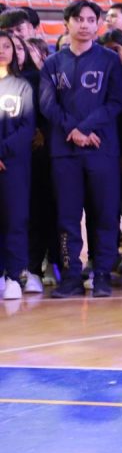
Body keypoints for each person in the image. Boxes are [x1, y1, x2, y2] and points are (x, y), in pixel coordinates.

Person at [39, 0, 122, 298]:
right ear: (67, 23)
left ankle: (101, 274)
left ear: (98, 23)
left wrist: (86, 128)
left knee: (104, 214)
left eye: (91, 19)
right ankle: (71, 276)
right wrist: (74, 131)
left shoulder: (109, 60)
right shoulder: (52, 63)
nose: (85, 25)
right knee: (67, 216)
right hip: (65, 151)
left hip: (102, 148)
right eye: (78, 19)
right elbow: (47, 104)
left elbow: (115, 101)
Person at [0, 32, 34, 300]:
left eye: (6, 46)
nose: (1, 50)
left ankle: (14, 276)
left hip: (13, 164)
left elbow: (27, 128)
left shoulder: (23, 86)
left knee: (15, 219)